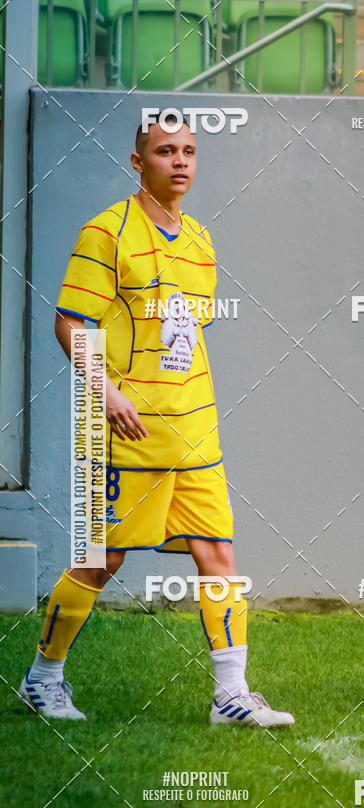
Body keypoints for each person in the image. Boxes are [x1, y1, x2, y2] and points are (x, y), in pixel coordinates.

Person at [18, 113, 294, 728]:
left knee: (218, 552)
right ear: (138, 161)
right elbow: (71, 323)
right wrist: (107, 392)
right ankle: (43, 678)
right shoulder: (106, 231)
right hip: (119, 435)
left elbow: (185, 338)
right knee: (101, 561)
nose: (181, 161)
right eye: (166, 151)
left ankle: (231, 696)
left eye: (190, 151)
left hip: (194, 430)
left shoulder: (199, 238)